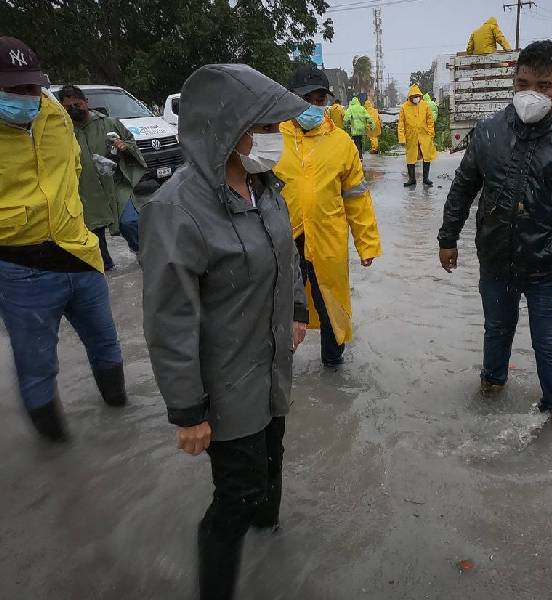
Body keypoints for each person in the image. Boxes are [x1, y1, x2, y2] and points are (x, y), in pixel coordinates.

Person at [139, 64, 309, 600]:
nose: (265, 137)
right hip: (226, 384)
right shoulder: (177, 208)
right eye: (256, 125)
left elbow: (288, 254)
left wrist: (299, 309)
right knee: (235, 494)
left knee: (273, 460)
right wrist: (187, 412)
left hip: (273, 363)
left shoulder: (264, 185)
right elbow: (169, 318)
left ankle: (270, 548)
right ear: (221, 126)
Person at [437, 40, 552, 417]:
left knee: (549, 344)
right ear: (513, 82)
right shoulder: (488, 131)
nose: (531, 94)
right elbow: (463, 187)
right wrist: (447, 239)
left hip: (550, 269)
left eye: (543, 86)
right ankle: (490, 391)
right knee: (496, 332)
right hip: (496, 262)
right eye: (522, 83)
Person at [0, 37, 127, 443]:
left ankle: (120, 417)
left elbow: (73, 168)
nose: (27, 97)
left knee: (107, 342)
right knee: (36, 363)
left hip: (78, 250)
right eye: (14, 90)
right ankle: (58, 453)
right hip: (21, 266)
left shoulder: (55, 116)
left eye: (32, 87)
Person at [275, 66, 381, 367]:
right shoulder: (273, 138)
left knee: (330, 302)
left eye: (319, 98)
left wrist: (367, 244)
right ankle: (279, 367)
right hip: (285, 236)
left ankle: (333, 365)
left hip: (327, 237)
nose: (313, 105)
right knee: (280, 303)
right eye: (305, 98)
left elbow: (357, 198)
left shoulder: (342, 144)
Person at [58, 84, 147, 270]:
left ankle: (145, 254)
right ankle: (105, 267)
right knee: (94, 233)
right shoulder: (62, 132)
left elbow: (131, 142)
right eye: (68, 107)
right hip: (86, 190)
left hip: (115, 185)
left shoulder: (109, 123)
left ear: (86, 102)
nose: (74, 109)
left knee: (130, 221)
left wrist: (124, 146)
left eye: (78, 104)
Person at [398, 84, 436, 187]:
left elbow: (430, 120)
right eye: (414, 96)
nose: (416, 98)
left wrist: (430, 133)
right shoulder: (404, 107)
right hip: (411, 136)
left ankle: (425, 178)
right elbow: (401, 123)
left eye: (418, 96)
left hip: (424, 135)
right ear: (410, 97)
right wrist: (402, 138)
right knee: (411, 157)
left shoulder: (425, 105)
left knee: (426, 156)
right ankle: (412, 179)